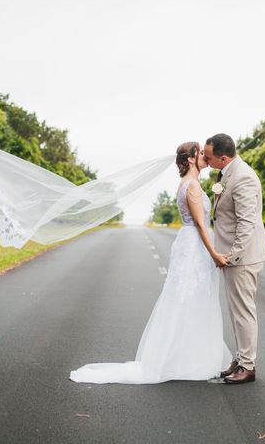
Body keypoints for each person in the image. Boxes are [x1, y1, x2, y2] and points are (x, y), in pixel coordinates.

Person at [70, 142, 231, 384]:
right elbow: (200, 225)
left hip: (187, 244)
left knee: (186, 299)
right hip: (194, 246)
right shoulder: (194, 187)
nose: (206, 158)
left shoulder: (184, 184)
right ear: (190, 159)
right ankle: (186, 359)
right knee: (192, 299)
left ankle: (182, 356)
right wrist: (215, 254)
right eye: (201, 154)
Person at [204, 133, 265, 384]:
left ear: (223, 157)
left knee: (243, 312)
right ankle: (240, 358)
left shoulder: (243, 177)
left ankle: (248, 365)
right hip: (235, 256)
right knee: (236, 311)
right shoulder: (227, 173)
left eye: (209, 158)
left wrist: (232, 257)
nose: (206, 161)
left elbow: (247, 223)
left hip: (242, 258)